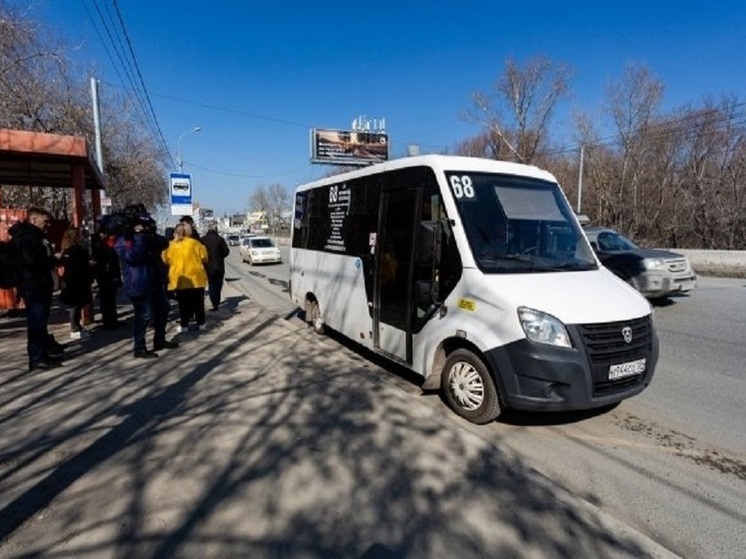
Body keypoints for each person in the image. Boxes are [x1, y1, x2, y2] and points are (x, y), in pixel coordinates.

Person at [115, 208, 177, 358]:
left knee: (163, 309)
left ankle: (159, 340)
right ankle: (139, 347)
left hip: (153, 279)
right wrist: (140, 237)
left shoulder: (146, 237)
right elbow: (133, 257)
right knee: (144, 315)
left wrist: (150, 235)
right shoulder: (125, 239)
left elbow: (164, 243)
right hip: (138, 282)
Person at [9, 207, 64, 370]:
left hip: (39, 284)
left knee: (40, 322)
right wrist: (52, 259)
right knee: (36, 322)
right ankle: (36, 358)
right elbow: (31, 263)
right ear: (34, 219)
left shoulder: (37, 236)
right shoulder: (28, 238)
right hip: (33, 285)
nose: (48, 225)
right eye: (45, 221)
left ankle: (42, 353)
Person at [162, 222, 208, 332]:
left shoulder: (170, 245)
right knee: (199, 303)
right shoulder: (195, 243)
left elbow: (165, 260)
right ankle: (201, 323)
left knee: (183, 304)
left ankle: (184, 325)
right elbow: (204, 257)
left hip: (180, 278)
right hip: (196, 277)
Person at [59, 227, 94, 340]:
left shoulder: (65, 250)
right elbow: (83, 265)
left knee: (75, 305)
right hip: (79, 280)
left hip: (70, 280)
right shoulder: (78, 250)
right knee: (76, 305)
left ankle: (76, 326)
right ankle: (75, 328)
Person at [91, 221, 122, 329]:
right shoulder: (99, 243)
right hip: (105, 274)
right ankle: (108, 321)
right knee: (106, 298)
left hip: (108, 273)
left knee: (110, 298)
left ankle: (112, 319)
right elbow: (103, 259)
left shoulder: (102, 243)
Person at [200, 222, 230, 310]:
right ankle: (216, 302)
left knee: (211, 284)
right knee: (218, 285)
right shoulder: (220, 239)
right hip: (219, 266)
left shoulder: (203, 240)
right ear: (216, 230)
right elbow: (226, 252)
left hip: (207, 267)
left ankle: (214, 301)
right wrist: (220, 257)